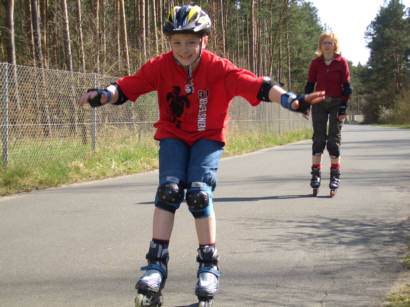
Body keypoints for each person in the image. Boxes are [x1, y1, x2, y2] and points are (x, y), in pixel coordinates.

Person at [79, 5, 325, 306]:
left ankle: (209, 264)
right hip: (173, 134)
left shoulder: (218, 67)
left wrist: (291, 100)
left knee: (198, 195)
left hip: (208, 137)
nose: (183, 49)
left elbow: (256, 85)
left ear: (204, 41)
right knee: (169, 192)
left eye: (191, 42)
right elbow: (130, 85)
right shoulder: (160, 65)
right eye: (177, 43)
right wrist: (104, 95)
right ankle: (156, 264)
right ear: (169, 43)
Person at [304, 32, 352, 197]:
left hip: (337, 103)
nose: (327, 45)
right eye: (324, 42)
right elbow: (310, 85)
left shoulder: (341, 62)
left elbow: (346, 86)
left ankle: (334, 176)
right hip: (318, 102)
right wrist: (305, 106)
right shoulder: (315, 63)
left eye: (330, 43)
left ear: (335, 45)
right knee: (318, 140)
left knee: (333, 141)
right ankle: (315, 175)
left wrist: (343, 107)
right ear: (320, 45)